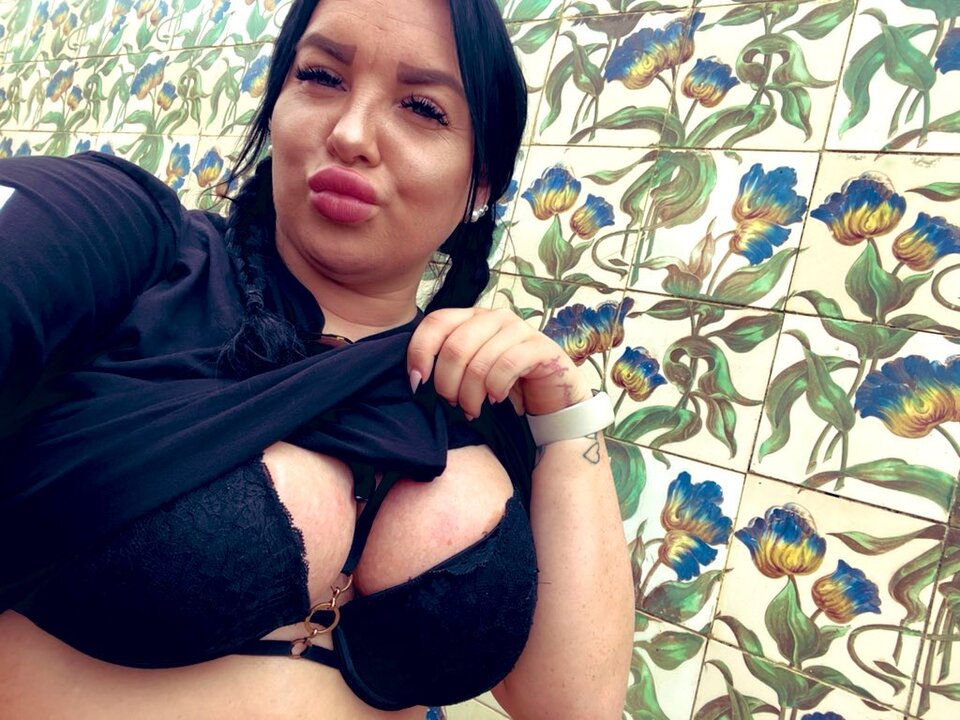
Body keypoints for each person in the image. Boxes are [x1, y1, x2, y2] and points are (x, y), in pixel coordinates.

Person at [0, 0, 633, 717]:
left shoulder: (475, 393)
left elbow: (570, 707)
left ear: (481, 182)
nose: (351, 134)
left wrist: (565, 417)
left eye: (422, 108)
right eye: (321, 77)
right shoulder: (137, 249)